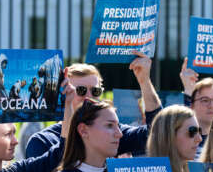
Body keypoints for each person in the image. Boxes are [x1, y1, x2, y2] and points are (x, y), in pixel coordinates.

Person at [26, 51, 161, 159]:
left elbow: (156, 133)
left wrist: (144, 80)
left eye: (95, 91)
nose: (89, 97)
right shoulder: (42, 142)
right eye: (80, 90)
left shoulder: (113, 133)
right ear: (63, 94)